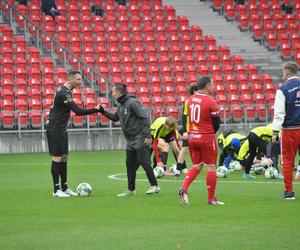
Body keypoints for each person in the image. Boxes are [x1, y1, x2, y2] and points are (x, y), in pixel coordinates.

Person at [46, 70, 102, 197]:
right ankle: (56, 190)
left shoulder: (65, 91)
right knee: (57, 157)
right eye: (78, 79)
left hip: (61, 129)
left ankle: (64, 187)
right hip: (55, 129)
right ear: (70, 79)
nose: (80, 82)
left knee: (64, 157)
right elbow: (78, 111)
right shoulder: (64, 93)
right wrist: (96, 109)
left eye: (80, 79)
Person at [99, 83, 160, 196]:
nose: (112, 94)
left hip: (140, 137)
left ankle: (155, 186)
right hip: (131, 140)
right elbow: (115, 118)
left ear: (120, 92)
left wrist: (147, 136)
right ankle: (131, 190)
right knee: (130, 164)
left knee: (144, 162)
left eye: (113, 92)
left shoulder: (132, 102)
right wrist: (102, 111)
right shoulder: (121, 105)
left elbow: (145, 118)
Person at [178, 76, 224, 205]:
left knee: (197, 165)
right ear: (208, 86)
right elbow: (216, 123)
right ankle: (211, 199)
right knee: (211, 167)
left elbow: (185, 116)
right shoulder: (210, 101)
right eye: (212, 85)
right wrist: (209, 134)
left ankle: (184, 188)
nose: (213, 88)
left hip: (193, 137)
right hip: (206, 137)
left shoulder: (190, 100)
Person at [272, 62, 300, 200]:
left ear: (287, 72)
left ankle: (289, 193)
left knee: (288, 161)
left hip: (290, 130)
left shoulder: (283, 89)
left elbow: (279, 113)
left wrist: (275, 132)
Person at [175, 83, 199, 177]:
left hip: (198, 129)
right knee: (184, 148)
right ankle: (177, 170)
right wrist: (185, 131)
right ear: (194, 91)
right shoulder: (188, 101)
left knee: (198, 148)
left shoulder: (201, 101)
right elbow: (184, 117)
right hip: (190, 129)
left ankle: (197, 167)